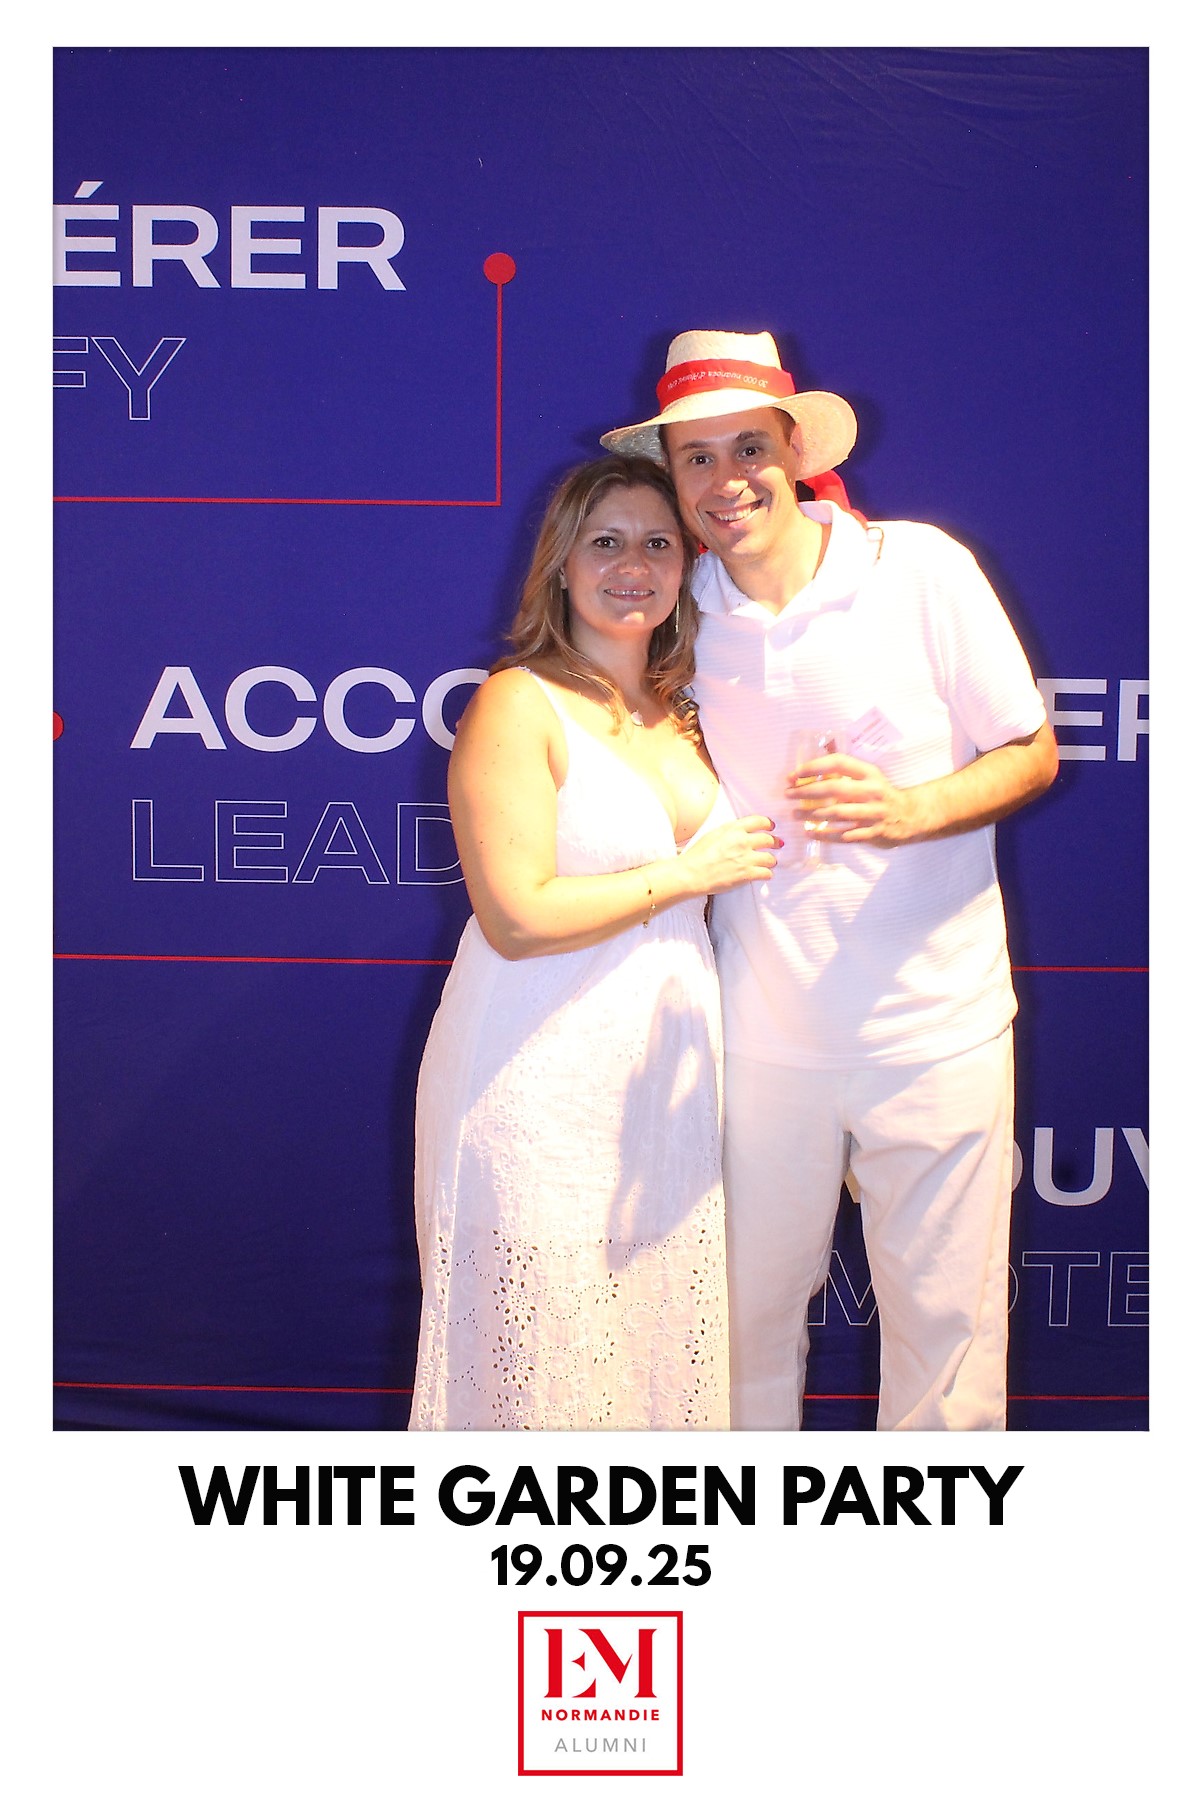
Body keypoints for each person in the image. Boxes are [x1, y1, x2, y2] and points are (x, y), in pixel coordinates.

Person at [601, 330, 1059, 1431]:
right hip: (759, 1042)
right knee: (736, 1343)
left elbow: (1031, 752)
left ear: (795, 452)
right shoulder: (678, 607)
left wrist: (913, 811)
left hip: (937, 1034)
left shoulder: (921, 569)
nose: (726, 480)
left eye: (748, 448)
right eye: (697, 457)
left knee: (948, 1351)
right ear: (674, 479)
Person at [408, 455, 779, 1430]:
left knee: (649, 1369)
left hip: (660, 1095)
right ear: (561, 564)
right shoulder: (517, 702)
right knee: (541, 1376)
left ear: (686, 567)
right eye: (605, 542)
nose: (633, 566)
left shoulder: (688, 715)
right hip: (530, 1081)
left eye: (657, 543)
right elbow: (516, 916)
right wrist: (687, 876)